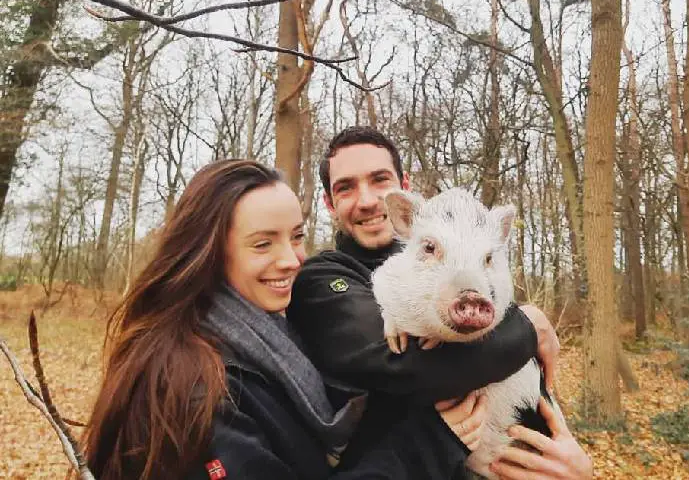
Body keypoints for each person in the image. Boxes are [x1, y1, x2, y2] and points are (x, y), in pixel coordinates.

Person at [80, 159, 492, 480]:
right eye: (263, 244)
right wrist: (428, 444)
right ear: (206, 253)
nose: (291, 260)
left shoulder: (277, 336)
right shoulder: (190, 388)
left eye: (296, 237)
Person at [286, 126, 592, 479]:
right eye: (346, 187)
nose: (367, 200)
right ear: (329, 202)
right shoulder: (323, 277)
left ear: (403, 187)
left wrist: (578, 466)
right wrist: (526, 325)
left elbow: (529, 382)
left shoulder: (466, 259)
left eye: (380, 179)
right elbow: (406, 367)